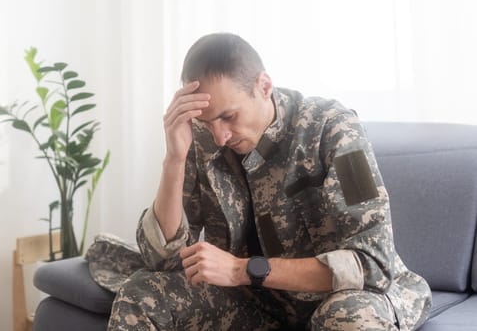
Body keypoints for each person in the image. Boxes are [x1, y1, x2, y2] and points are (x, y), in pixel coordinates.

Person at [98, 33, 432, 330]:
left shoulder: (334, 128)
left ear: (264, 86)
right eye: (207, 121)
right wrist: (174, 159)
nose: (219, 135)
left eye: (229, 116)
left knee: (347, 318)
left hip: (347, 297)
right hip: (260, 303)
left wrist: (243, 270)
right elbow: (163, 260)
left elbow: (371, 265)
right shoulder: (203, 139)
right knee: (142, 291)